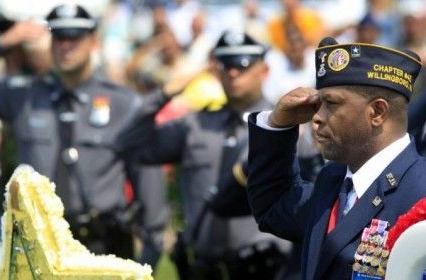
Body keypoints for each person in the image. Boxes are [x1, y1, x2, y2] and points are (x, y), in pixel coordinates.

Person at [0, 3, 146, 259]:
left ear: (93, 42)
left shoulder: (123, 103)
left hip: (103, 245)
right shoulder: (26, 96)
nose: (65, 46)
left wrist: (153, 244)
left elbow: (145, 176)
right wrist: (3, 42)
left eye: (74, 37)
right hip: (39, 247)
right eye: (59, 37)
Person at [117, 30, 292, 280]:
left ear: (264, 71)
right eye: (226, 65)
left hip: (264, 269)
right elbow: (127, 145)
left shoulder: (283, 128)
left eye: (242, 66)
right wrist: (165, 93)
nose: (233, 73)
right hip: (201, 268)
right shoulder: (195, 125)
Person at [246, 36, 426, 279]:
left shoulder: (419, 189)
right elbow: (273, 208)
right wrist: (277, 125)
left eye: (331, 103)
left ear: (377, 112)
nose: (316, 117)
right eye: (318, 103)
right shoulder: (333, 180)